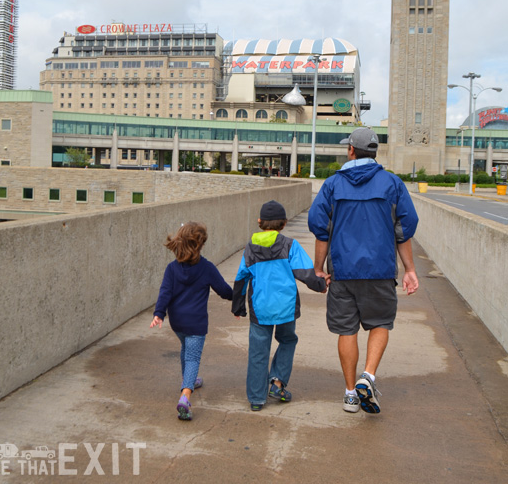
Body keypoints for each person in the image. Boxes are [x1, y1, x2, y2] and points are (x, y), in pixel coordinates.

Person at [308, 127, 419, 415]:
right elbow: (403, 230)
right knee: (380, 323)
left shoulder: (332, 185)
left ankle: (349, 394)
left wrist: (318, 269)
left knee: (347, 330)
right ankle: (367, 376)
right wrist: (410, 269)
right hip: (380, 270)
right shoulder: (392, 184)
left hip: (343, 271)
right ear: (375, 152)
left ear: (350, 151)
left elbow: (321, 231)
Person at [232, 200, 326, 411]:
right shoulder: (290, 245)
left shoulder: (250, 248)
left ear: (259, 222)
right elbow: (306, 273)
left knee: (258, 352)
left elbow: (241, 278)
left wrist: (238, 306)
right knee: (287, 340)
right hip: (286, 308)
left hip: (260, 310)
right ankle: (277, 383)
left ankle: (256, 399)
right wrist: (320, 286)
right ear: (284, 224)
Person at [150, 222, 233, 421]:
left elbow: (165, 293)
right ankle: (185, 396)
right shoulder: (207, 268)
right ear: (200, 244)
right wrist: (238, 299)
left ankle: (190, 379)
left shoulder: (171, 269)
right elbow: (224, 291)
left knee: (186, 349)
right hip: (196, 323)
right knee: (193, 357)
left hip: (177, 322)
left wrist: (159, 313)